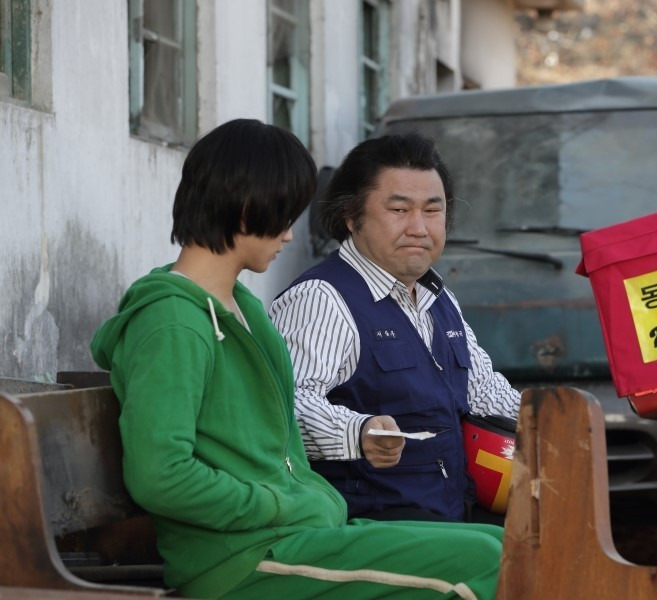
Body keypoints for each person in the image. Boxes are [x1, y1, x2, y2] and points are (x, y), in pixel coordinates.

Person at [90, 119, 503, 600]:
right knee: (487, 565)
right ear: (247, 206)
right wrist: (278, 505)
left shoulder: (242, 310)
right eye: (285, 214)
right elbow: (160, 477)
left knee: (504, 544)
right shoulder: (173, 324)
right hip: (239, 560)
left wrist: (307, 502)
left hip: (298, 534)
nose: (289, 235)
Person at [269, 132, 521, 524]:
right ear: (352, 217)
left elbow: (484, 391)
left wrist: (557, 417)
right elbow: (285, 406)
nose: (419, 228)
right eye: (399, 210)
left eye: (432, 210)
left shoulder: (439, 299)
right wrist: (359, 431)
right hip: (368, 525)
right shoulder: (322, 298)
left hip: (451, 516)